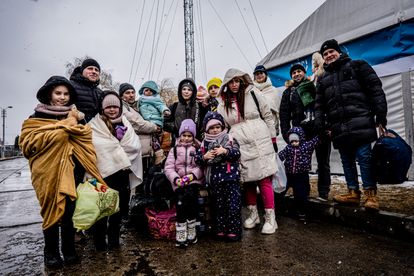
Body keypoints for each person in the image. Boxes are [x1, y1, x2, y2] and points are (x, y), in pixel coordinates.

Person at [19, 76, 106, 268]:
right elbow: (27, 145)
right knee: (51, 211)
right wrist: (63, 128)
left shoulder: (78, 118)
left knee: (68, 213)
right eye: (58, 93)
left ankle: (69, 251)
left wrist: (72, 126)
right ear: (49, 95)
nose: (62, 97)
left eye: (66, 94)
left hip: (73, 171)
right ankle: (50, 253)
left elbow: (86, 141)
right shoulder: (36, 119)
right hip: (47, 172)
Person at [315, 39, 388, 210]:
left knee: (364, 158)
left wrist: (380, 115)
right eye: (325, 54)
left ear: (339, 52)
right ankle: (353, 192)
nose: (328, 56)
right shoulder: (323, 79)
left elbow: (375, 90)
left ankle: (371, 195)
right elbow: (319, 106)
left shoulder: (357, 66)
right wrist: (321, 125)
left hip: (360, 121)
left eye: (331, 52)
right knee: (346, 160)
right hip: (338, 127)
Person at [217, 68, 278, 235]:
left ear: (242, 81)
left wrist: (273, 139)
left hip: (261, 140)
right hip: (240, 144)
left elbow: (267, 115)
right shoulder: (222, 103)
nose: (235, 84)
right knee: (248, 179)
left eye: (237, 81)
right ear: (227, 84)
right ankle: (253, 215)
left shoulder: (253, 93)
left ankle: (270, 218)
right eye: (231, 82)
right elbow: (222, 125)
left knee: (264, 178)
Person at [88, 91, 143, 250]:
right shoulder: (94, 125)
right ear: (102, 108)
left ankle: (114, 240)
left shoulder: (125, 122)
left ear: (120, 108)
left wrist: (118, 151)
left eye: (115, 106)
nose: (112, 110)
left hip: (122, 173)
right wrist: (115, 148)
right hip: (102, 175)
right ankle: (99, 242)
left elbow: (134, 146)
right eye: (108, 107)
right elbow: (92, 149)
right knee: (101, 210)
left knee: (117, 210)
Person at [279, 63, 331, 201]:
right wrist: (286, 134)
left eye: (299, 71)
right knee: (301, 165)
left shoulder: (314, 84)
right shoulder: (289, 92)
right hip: (300, 133)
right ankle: (304, 191)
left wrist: (327, 126)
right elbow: (284, 114)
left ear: (304, 73)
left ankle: (323, 192)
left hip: (319, 129)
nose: (296, 74)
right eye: (294, 73)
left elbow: (325, 104)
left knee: (323, 162)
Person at [195, 112, 242, 241]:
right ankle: (221, 229)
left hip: (231, 178)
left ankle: (234, 231)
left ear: (222, 127)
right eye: (212, 127)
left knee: (233, 206)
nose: (215, 130)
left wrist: (225, 151)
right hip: (215, 180)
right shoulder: (204, 143)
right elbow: (197, 159)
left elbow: (237, 153)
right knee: (219, 207)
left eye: (218, 127)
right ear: (206, 129)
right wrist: (204, 157)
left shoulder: (229, 138)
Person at [164, 119, 204, 248]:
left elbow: (201, 166)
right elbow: (169, 167)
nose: (186, 138)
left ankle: (191, 228)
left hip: (193, 181)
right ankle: (181, 230)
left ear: (193, 136)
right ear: (180, 135)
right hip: (179, 182)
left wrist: (192, 176)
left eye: (189, 136)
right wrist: (176, 179)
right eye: (184, 135)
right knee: (180, 201)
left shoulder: (197, 148)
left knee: (191, 199)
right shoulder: (174, 150)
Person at [118, 82, 163, 170]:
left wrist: (159, 126)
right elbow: (137, 123)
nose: (131, 95)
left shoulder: (139, 106)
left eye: (132, 92)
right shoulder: (121, 107)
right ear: (121, 96)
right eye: (127, 93)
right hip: (136, 153)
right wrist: (155, 127)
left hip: (148, 151)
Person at [278, 127, 319, 221]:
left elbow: (315, 141)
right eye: (291, 141)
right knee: (281, 191)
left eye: (296, 141)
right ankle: (280, 208)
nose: (294, 143)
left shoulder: (306, 146)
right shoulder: (288, 148)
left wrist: (322, 135)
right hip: (288, 174)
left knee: (301, 194)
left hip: (301, 175)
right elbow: (281, 156)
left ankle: (301, 211)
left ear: (301, 138)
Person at [138, 80, 171, 164]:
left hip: (155, 120)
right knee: (150, 138)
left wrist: (165, 111)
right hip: (146, 120)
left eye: (151, 91)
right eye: (146, 90)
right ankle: (156, 154)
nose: (148, 92)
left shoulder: (155, 99)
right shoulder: (140, 100)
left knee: (153, 137)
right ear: (143, 91)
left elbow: (161, 105)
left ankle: (159, 153)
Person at [70, 58, 104, 122]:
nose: (94, 72)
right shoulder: (70, 86)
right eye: (90, 68)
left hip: (95, 129)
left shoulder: (100, 92)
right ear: (82, 71)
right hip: (73, 128)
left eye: (96, 70)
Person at [253, 65, 281, 139]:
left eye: (261, 73)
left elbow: (277, 109)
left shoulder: (273, 90)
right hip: (257, 126)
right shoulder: (252, 91)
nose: (259, 75)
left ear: (265, 74)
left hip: (271, 123)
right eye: (257, 74)